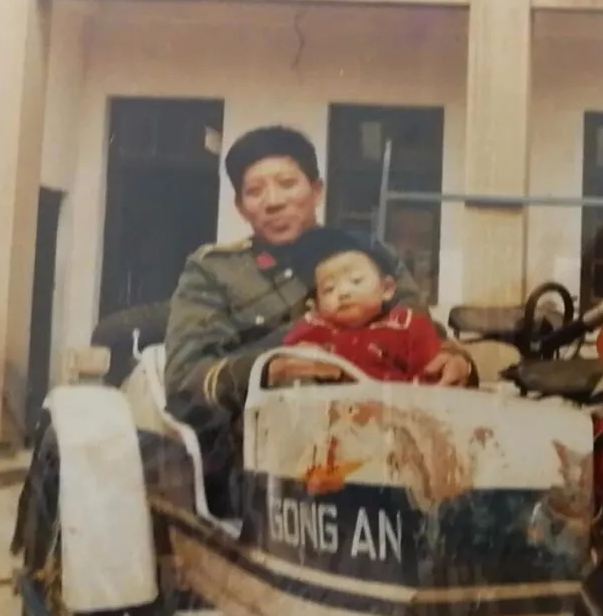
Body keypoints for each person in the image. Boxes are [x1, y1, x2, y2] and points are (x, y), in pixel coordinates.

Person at [163, 125, 476, 505]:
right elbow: (184, 380)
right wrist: (268, 369)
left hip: (388, 451)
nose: (273, 201)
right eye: (255, 191)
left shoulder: (367, 255)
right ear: (240, 207)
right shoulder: (214, 272)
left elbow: (422, 332)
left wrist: (455, 360)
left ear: (316, 190)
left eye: (287, 183)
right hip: (265, 467)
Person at [281, 227, 444, 382]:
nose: (343, 293)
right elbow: (284, 361)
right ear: (316, 306)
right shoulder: (312, 330)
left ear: (386, 289)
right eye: (329, 289)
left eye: (356, 281)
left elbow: (432, 375)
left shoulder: (409, 327)